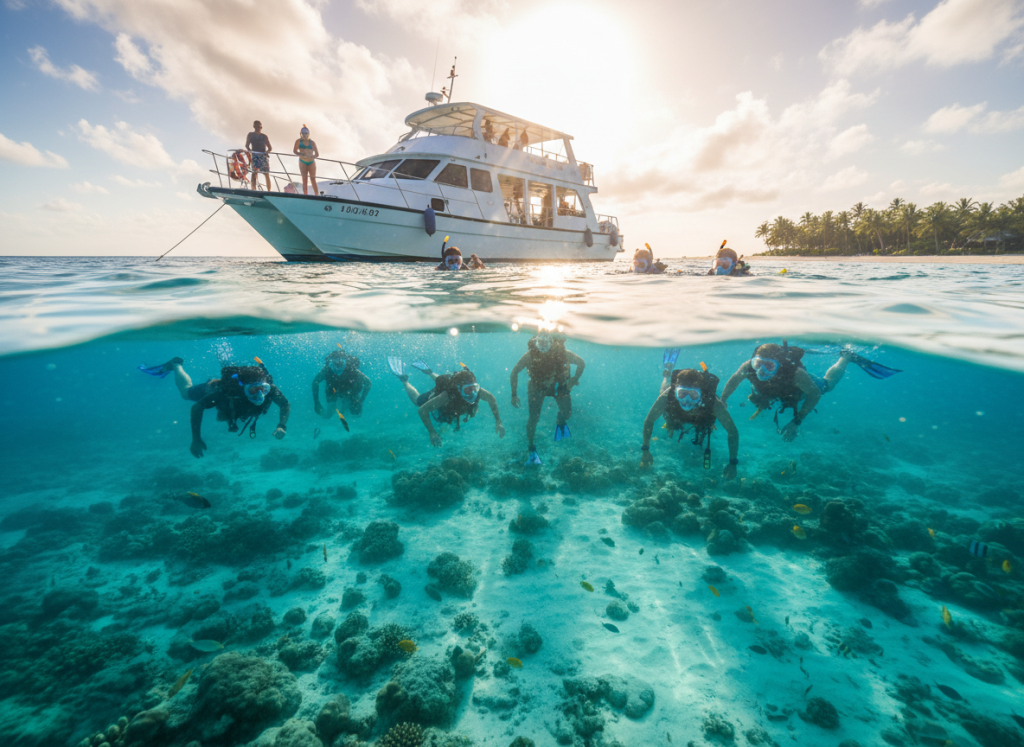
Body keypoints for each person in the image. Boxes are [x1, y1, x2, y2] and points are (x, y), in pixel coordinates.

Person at [720, 341, 901, 442]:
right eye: (758, 364)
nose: (761, 371)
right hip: (777, 391)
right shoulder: (747, 367)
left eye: (769, 365)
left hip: (800, 388)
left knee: (827, 385)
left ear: (780, 365)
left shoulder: (796, 374)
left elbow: (814, 394)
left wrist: (797, 421)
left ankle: (845, 358)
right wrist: (723, 399)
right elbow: (735, 379)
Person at [138, 356, 289, 457]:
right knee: (185, 393)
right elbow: (196, 407)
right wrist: (196, 439)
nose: (260, 395)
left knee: (224, 415)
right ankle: (176, 365)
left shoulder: (271, 389)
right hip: (211, 388)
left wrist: (282, 425)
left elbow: (284, 404)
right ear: (243, 388)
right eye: (253, 390)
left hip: (233, 404)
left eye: (264, 389)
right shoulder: (225, 393)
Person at [640, 349, 739, 479]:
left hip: (701, 420)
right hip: (675, 416)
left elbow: (732, 431)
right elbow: (649, 421)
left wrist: (733, 463)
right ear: (676, 391)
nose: (686, 401)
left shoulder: (713, 403)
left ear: (702, 394)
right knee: (662, 392)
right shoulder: (668, 395)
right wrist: (645, 450)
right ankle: (667, 374)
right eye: (682, 394)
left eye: (693, 395)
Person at [387, 358, 504, 447]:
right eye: (467, 389)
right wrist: (432, 433)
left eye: (473, 387)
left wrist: (498, 421)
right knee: (417, 401)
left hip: (453, 392)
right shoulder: (446, 396)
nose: (471, 392)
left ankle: (429, 372)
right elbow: (422, 410)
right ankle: (404, 381)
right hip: (438, 394)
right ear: (458, 389)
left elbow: (491, 398)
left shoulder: (476, 391)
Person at [509, 331, 585, 465]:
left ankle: (560, 420)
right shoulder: (530, 355)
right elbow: (514, 372)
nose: (543, 346)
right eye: (540, 343)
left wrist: (573, 381)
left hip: (558, 386)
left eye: (546, 343)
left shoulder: (562, 353)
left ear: (552, 343)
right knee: (533, 418)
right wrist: (514, 394)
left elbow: (581, 363)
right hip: (537, 387)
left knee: (567, 413)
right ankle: (531, 449)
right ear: (536, 342)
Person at [312, 346, 371, 419]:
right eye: (335, 365)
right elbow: (315, 382)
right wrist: (317, 403)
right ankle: (336, 409)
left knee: (356, 412)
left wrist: (361, 401)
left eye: (340, 365)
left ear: (345, 363)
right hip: (333, 388)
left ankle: (344, 406)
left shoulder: (350, 368)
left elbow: (368, 382)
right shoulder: (327, 370)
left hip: (350, 389)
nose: (337, 369)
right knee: (329, 414)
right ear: (330, 363)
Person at [245, 120, 272, 191]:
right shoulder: (250, 134)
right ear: (254, 126)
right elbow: (247, 145)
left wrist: (266, 152)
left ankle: (269, 191)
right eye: (256, 126)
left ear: (261, 127)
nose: (257, 127)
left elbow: (270, 148)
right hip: (255, 156)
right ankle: (253, 189)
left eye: (259, 126)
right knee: (254, 173)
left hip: (263, 156)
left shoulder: (264, 136)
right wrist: (251, 152)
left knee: (266, 173)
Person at [292, 125, 319, 195]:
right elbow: (294, 151)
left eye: (306, 134)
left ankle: (317, 194)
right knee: (304, 179)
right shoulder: (298, 141)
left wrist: (311, 156)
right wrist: (300, 154)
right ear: (300, 134)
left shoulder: (312, 143)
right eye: (303, 134)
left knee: (313, 178)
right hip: (302, 161)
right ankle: (305, 194)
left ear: (308, 134)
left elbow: (317, 154)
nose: (304, 135)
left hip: (311, 162)